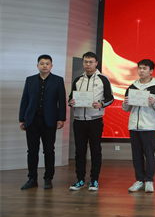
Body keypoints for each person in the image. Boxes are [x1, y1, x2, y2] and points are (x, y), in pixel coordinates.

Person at [19, 55, 67, 190]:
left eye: (47, 63)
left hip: (49, 121)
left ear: (51, 66)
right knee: (32, 150)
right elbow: (24, 100)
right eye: (42, 63)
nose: (44, 66)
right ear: (37, 66)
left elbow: (61, 101)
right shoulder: (30, 80)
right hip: (32, 120)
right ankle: (32, 178)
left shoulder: (58, 80)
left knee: (49, 150)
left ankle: (48, 178)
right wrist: (22, 119)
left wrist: (61, 118)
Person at [68, 52, 114, 191]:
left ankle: (94, 180)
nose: (88, 64)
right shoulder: (78, 80)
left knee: (95, 151)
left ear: (96, 63)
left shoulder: (103, 79)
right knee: (80, 152)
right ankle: (80, 179)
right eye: (85, 62)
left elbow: (110, 98)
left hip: (95, 120)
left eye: (90, 62)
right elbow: (70, 98)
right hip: (78, 120)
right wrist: (71, 102)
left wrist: (101, 104)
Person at [122, 59, 155, 193]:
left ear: (151, 71)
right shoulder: (132, 86)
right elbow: (126, 108)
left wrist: (154, 102)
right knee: (136, 155)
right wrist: (126, 102)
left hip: (149, 126)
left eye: (144, 68)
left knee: (149, 154)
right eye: (140, 68)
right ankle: (139, 180)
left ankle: (149, 181)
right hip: (134, 126)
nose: (141, 71)